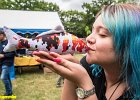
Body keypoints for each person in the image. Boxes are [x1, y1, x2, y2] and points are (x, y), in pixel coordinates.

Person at [33, 3, 140, 100]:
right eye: (92, 30)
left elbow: (83, 82)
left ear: (130, 46)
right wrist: (71, 77)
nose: (88, 38)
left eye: (102, 34)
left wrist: (84, 83)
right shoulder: (88, 66)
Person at [0, 30, 15, 96]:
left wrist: (3, 55)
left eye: (0, 35)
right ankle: (10, 91)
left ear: (3, 35)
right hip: (1, 63)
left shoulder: (9, 42)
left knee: (3, 78)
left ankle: (8, 92)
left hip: (7, 62)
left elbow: (13, 53)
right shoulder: (0, 43)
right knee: (7, 77)